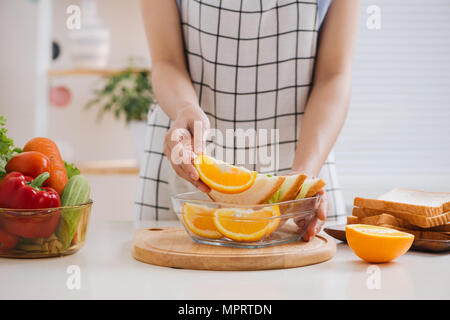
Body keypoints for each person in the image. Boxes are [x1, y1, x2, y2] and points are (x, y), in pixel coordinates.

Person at [136, 0, 360, 240]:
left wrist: (301, 183)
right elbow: (166, 60)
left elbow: (333, 76)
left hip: (304, 158)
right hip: (186, 163)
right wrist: (184, 108)